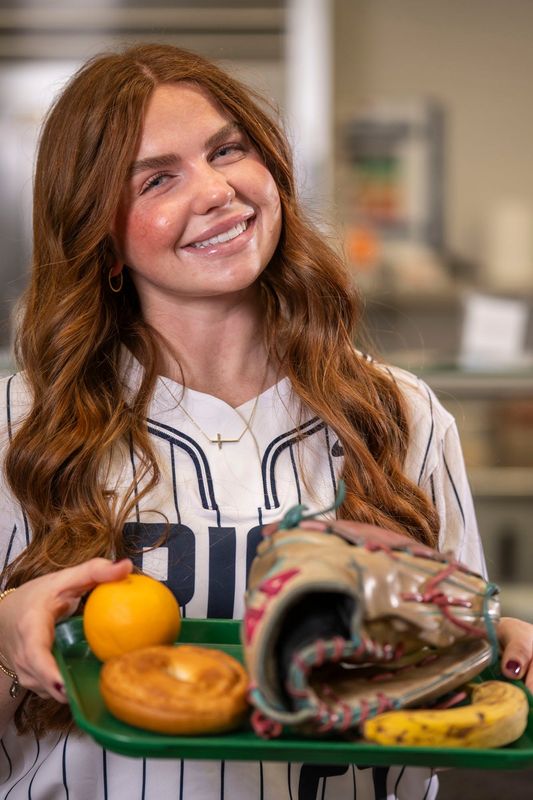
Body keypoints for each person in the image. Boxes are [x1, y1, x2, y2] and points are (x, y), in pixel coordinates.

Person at [0, 43, 531, 800]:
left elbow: (455, 675)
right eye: (157, 178)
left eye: (228, 150)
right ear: (103, 239)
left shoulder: (401, 415)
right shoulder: (20, 427)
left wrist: (496, 647)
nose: (216, 190)